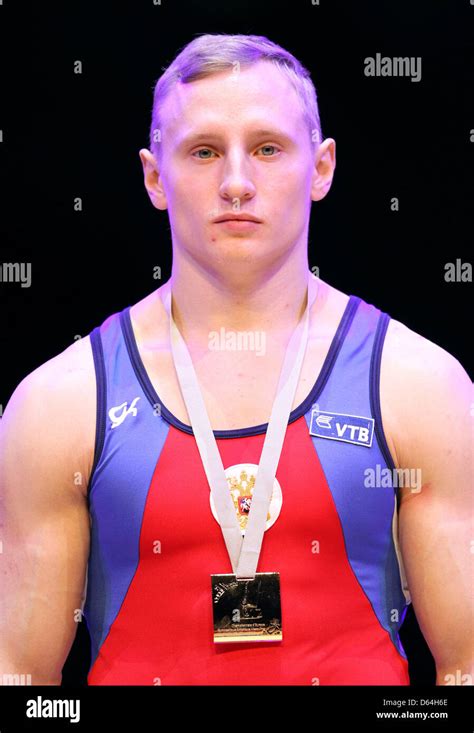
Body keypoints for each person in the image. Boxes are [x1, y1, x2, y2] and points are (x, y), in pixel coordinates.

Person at [0, 33, 472, 686]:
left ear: (322, 167)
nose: (237, 183)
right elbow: (22, 685)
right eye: (204, 152)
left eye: (268, 148)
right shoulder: (58, 401)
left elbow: (465, 671)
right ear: (154, 176)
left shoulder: (422, 385)